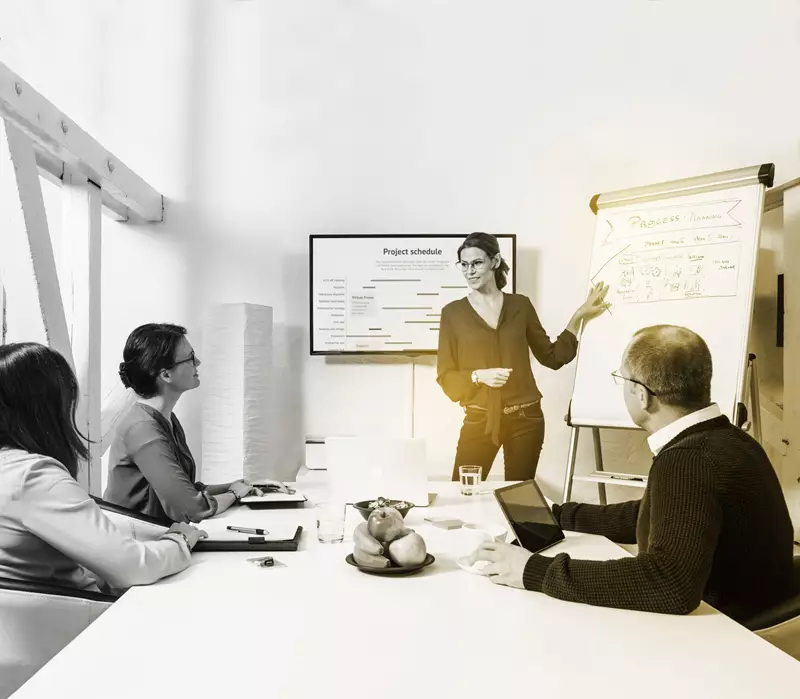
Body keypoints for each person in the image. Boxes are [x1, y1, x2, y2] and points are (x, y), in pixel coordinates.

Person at [468, 325, 797, 622]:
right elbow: (658, 514)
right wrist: (560, 516)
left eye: (621, 379)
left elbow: (668, 584)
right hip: (757, 609)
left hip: (733, 637)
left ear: (642, 396)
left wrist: (531, 570)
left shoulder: (689, 459)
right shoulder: (728, 439)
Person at [0, 342, 206, 595]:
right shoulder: (34, 477)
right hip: (84, 617)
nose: (198, 364)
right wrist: (181, 539)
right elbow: (134, 564)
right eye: (190, 358)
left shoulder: (11, 469)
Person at [436, 232, 609, 481]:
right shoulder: (452, 313)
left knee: (519, 499)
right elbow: (446, 376)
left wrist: (578, 316)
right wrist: (478, 376)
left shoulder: (521, 305)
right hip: (480, 419)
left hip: (526, 420)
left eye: (476, 263)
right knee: (464, 491)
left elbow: (551, 357)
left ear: (494, 262)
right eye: (464, 265)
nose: (469, 271)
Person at [104, 323, 289, 524]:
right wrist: (235, 494)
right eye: (190, 358)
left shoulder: (165, 419)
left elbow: (188, 491)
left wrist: (240, 485)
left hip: (159, 537)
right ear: (166, 375)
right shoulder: (142, 428)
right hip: (138, 543)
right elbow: (192, 508)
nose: (198, 362)